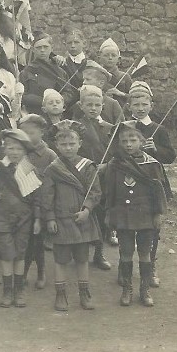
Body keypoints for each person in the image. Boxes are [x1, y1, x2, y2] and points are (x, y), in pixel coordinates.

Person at [102, 123, 169, 307]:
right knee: (125, 253)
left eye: (133, 140)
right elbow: (110, 192)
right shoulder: (115, 165)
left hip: (146, 215)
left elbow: (158, 192)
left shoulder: (152, 164)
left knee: (145, 254)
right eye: (124, 141)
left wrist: (158, 214)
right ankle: (127, 289)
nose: (129, 144)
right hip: (123, 215)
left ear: (141, 141)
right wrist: (109, 213)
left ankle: (144, 290)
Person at [39, 121, 103, 311]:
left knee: (82, 259)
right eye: (63, 144)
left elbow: (95, 192)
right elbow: (47, 196)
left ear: (79, 144)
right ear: (56, 146)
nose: (68, 148)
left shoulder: (88, 167)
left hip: (83, 219)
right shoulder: (53, 168)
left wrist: (87, 210)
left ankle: (84, 293)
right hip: (61, 221)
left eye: (72, 144)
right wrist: (50, 218)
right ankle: (61, 295)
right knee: (60, 260)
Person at [0, 129, 43, 308]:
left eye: (18, 149)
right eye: (10, 148)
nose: (14, 152)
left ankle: (19, 290)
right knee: (6, 255)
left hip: (24, 219)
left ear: (25, 151)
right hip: (2, 217)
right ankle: (7, 291)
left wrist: (38, 219)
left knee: (20, 255)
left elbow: (36, 198)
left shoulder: (29, 169)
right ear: (4, 149)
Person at [126, 81, 176, 287]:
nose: (140, 108)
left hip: (153, 183)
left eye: (144, 104)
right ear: (129, 106)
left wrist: (155, 150)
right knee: (129, 227)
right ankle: (125, 269)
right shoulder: (125, 127)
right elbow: (117, 152)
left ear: (151, 106)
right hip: (130, 182)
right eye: (135, 104)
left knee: (152, 228)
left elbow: (170, 156)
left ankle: (150, 267)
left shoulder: (159, 129)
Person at [18, 114, 57, 291]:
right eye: (23, 133)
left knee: (37, 242)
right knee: (23, 241)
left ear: (41, 132)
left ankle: (40, 271)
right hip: (23, 203)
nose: (26, 136)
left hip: (41, 204)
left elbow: (54, 178)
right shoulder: (19, 152)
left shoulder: (49, 155)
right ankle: (23, 271)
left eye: (31, 133)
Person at [19, 33, 70, 115]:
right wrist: (44, 101)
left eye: (45, 47)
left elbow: (69, 93)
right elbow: (22, 96)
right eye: (39, 48)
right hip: (35, 113)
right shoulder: (26, 72)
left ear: (51, 48)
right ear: (33, 50)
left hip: (57, 113)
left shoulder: (60, 71)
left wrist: (57, 100)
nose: (42, 50)